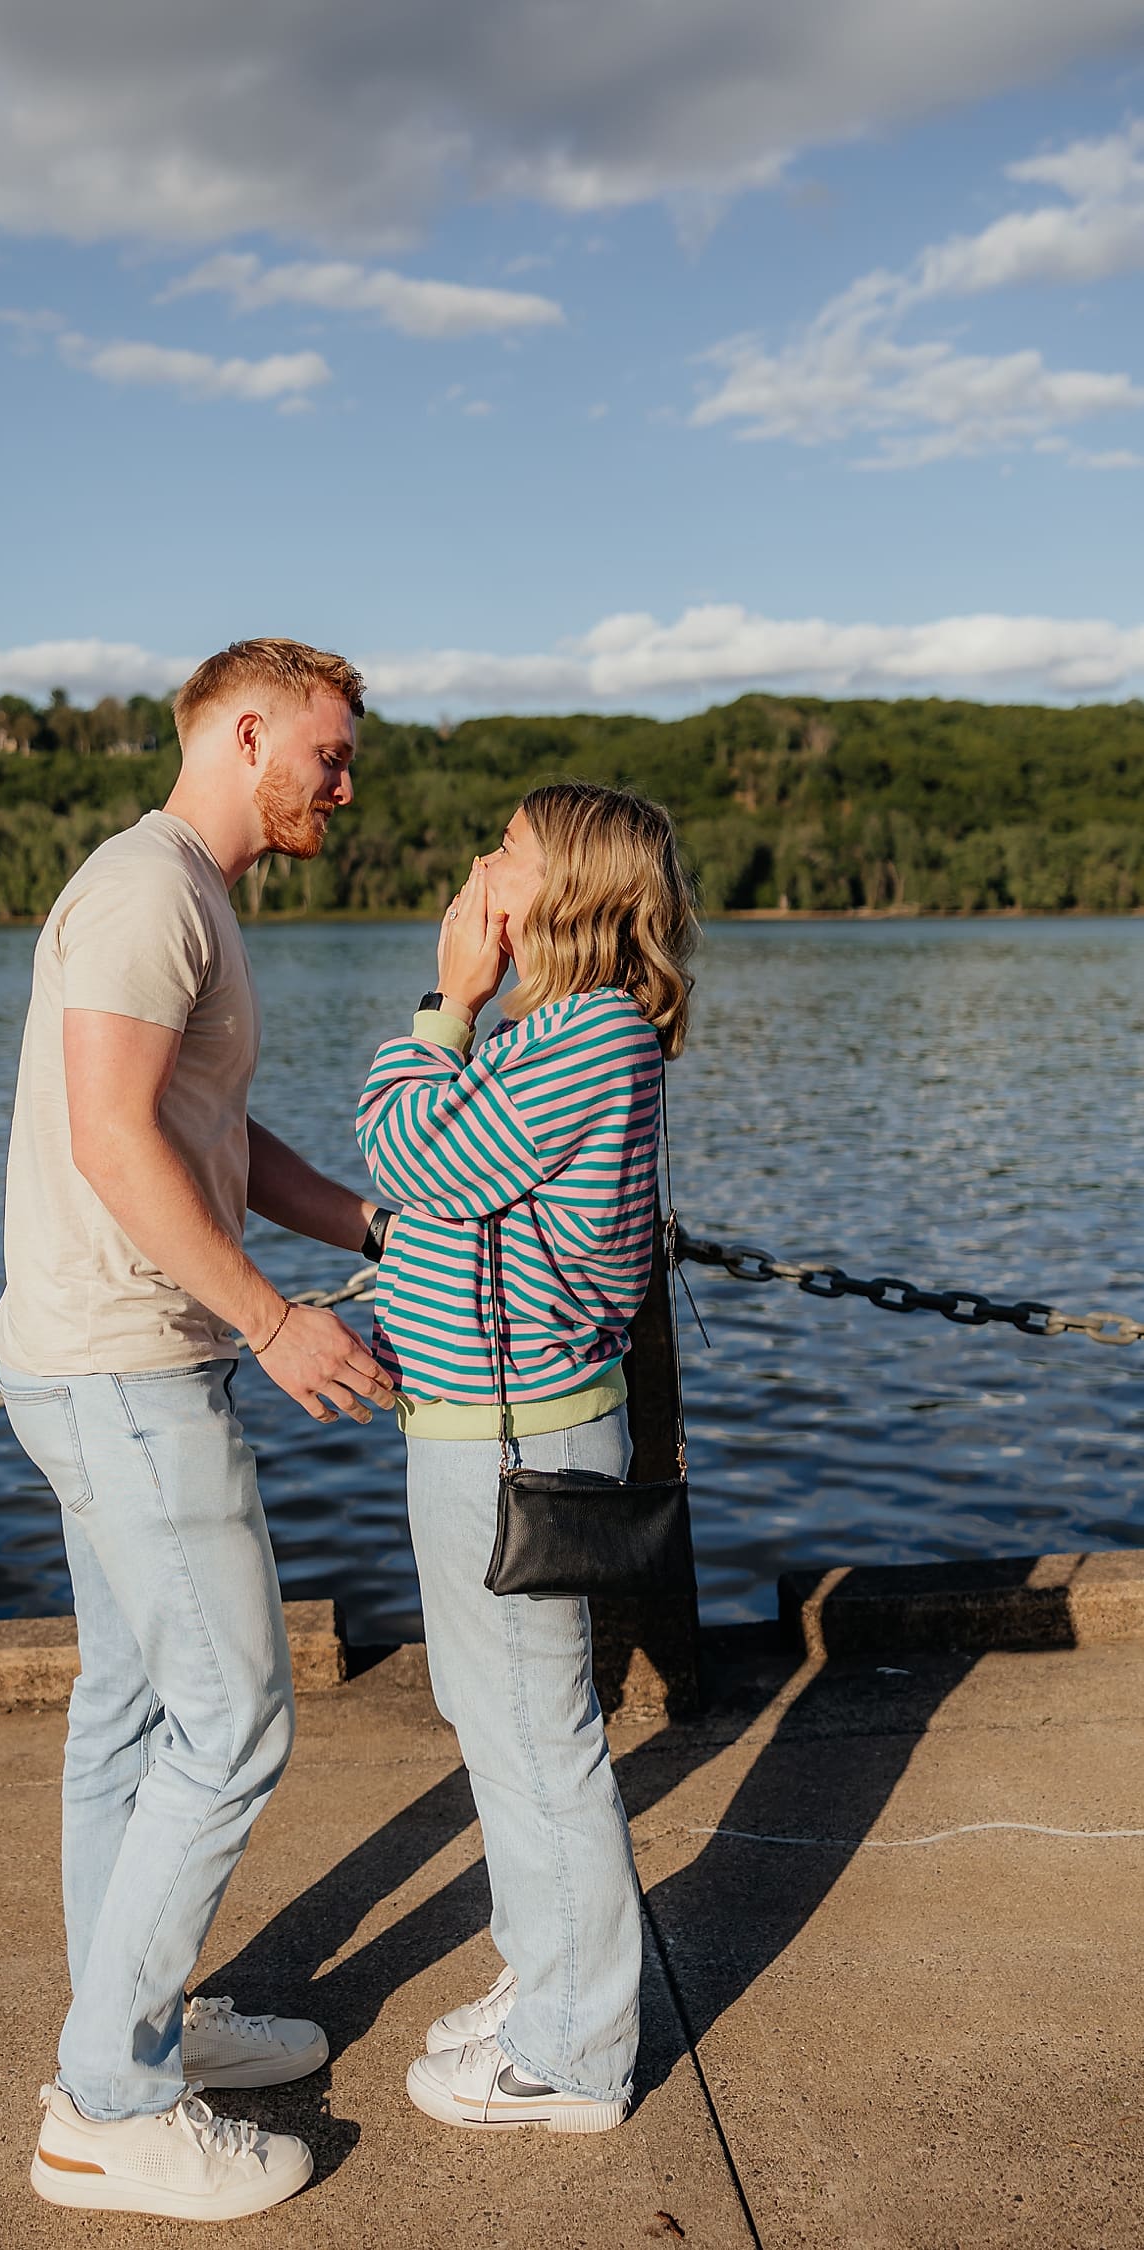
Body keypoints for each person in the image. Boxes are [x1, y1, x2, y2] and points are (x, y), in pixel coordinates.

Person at [0, 638, 395, 2220]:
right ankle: (109, 2100)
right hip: (130, 1370)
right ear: (245, 731)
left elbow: (205, 1128)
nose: (345, 784)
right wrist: (275, 1319)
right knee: (236, 1717)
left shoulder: (192, 895)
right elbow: (108, 1137)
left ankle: (137, 2009)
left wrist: (359, 1225)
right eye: (331, 753)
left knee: (133, 1709)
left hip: (106, 1364)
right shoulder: (148, 890)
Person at [355, 780, 696, 2135]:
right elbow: (446, 1190)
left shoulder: (588, 1036)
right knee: (495, 1721)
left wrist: (445, 1000)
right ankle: (546, 1969)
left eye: (505, 847)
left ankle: (573, 2052)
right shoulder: (559, 1033)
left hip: (517, 1439)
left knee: (539, 1738)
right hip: (482, 1427)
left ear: (565, 894)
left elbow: (404, 1146)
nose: (478, 860)